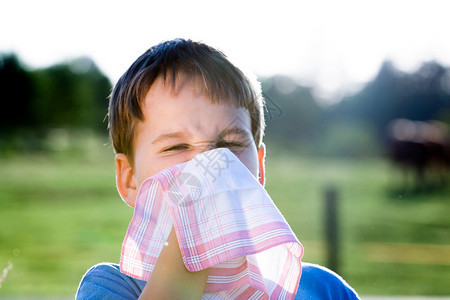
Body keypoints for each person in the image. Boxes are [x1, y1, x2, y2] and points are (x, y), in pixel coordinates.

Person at [76, 38, 359, 299]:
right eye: (175, 147)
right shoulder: (111, 287)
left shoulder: (322, 289)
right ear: (129, 180)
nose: (209, 165)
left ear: (258, 168)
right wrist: (194, 238)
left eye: (229, 144)